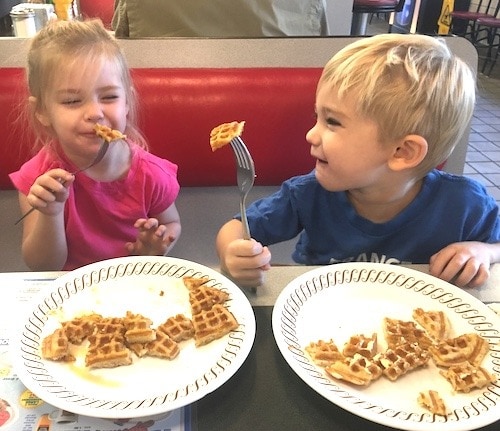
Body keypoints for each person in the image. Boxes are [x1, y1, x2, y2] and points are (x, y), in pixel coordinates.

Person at [216, 33, 500, 289]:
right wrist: (233, 253)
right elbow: (237, 228)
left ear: (403, 151)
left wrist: (482, 252)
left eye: (333, 122)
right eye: (317, 117)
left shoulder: (464, 204)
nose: (311, 134)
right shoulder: (308, 194)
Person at [9, 19, 181, 271]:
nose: (94, 113)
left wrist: (155, 248)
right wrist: (51, 214)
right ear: (43, 111)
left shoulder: (152, 173)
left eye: (109, 97)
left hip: (133, 281)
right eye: (72, 101)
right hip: (69, 291)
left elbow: (172, 223)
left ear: (127, 102)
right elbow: (43, 265)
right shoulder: (39, 180)